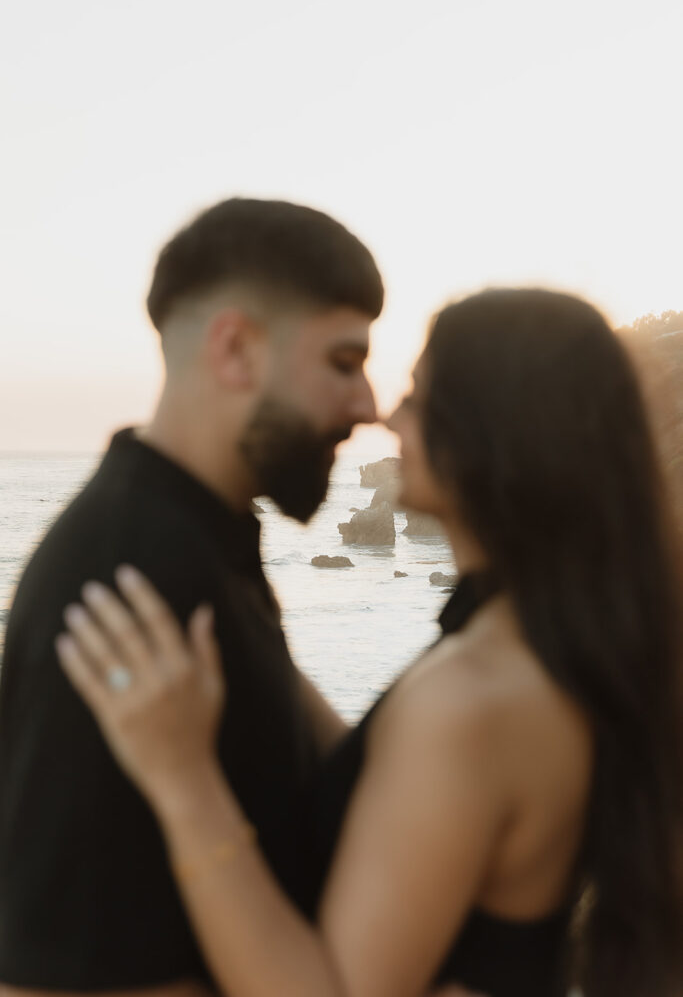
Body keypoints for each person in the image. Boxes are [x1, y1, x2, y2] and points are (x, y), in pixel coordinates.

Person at [57, 289, 683, 997]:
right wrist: (249, 630)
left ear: (489, 434)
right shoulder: (533, 646)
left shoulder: (473, 700)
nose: (388, 417)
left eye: (416, 398)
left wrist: (182, 780)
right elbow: (387, 779)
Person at [0, 198, 384, 993]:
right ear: (235, 349)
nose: (367, 405)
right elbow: (45, 974)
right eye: (343, 363)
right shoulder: (128, 586)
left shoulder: (207, 539)